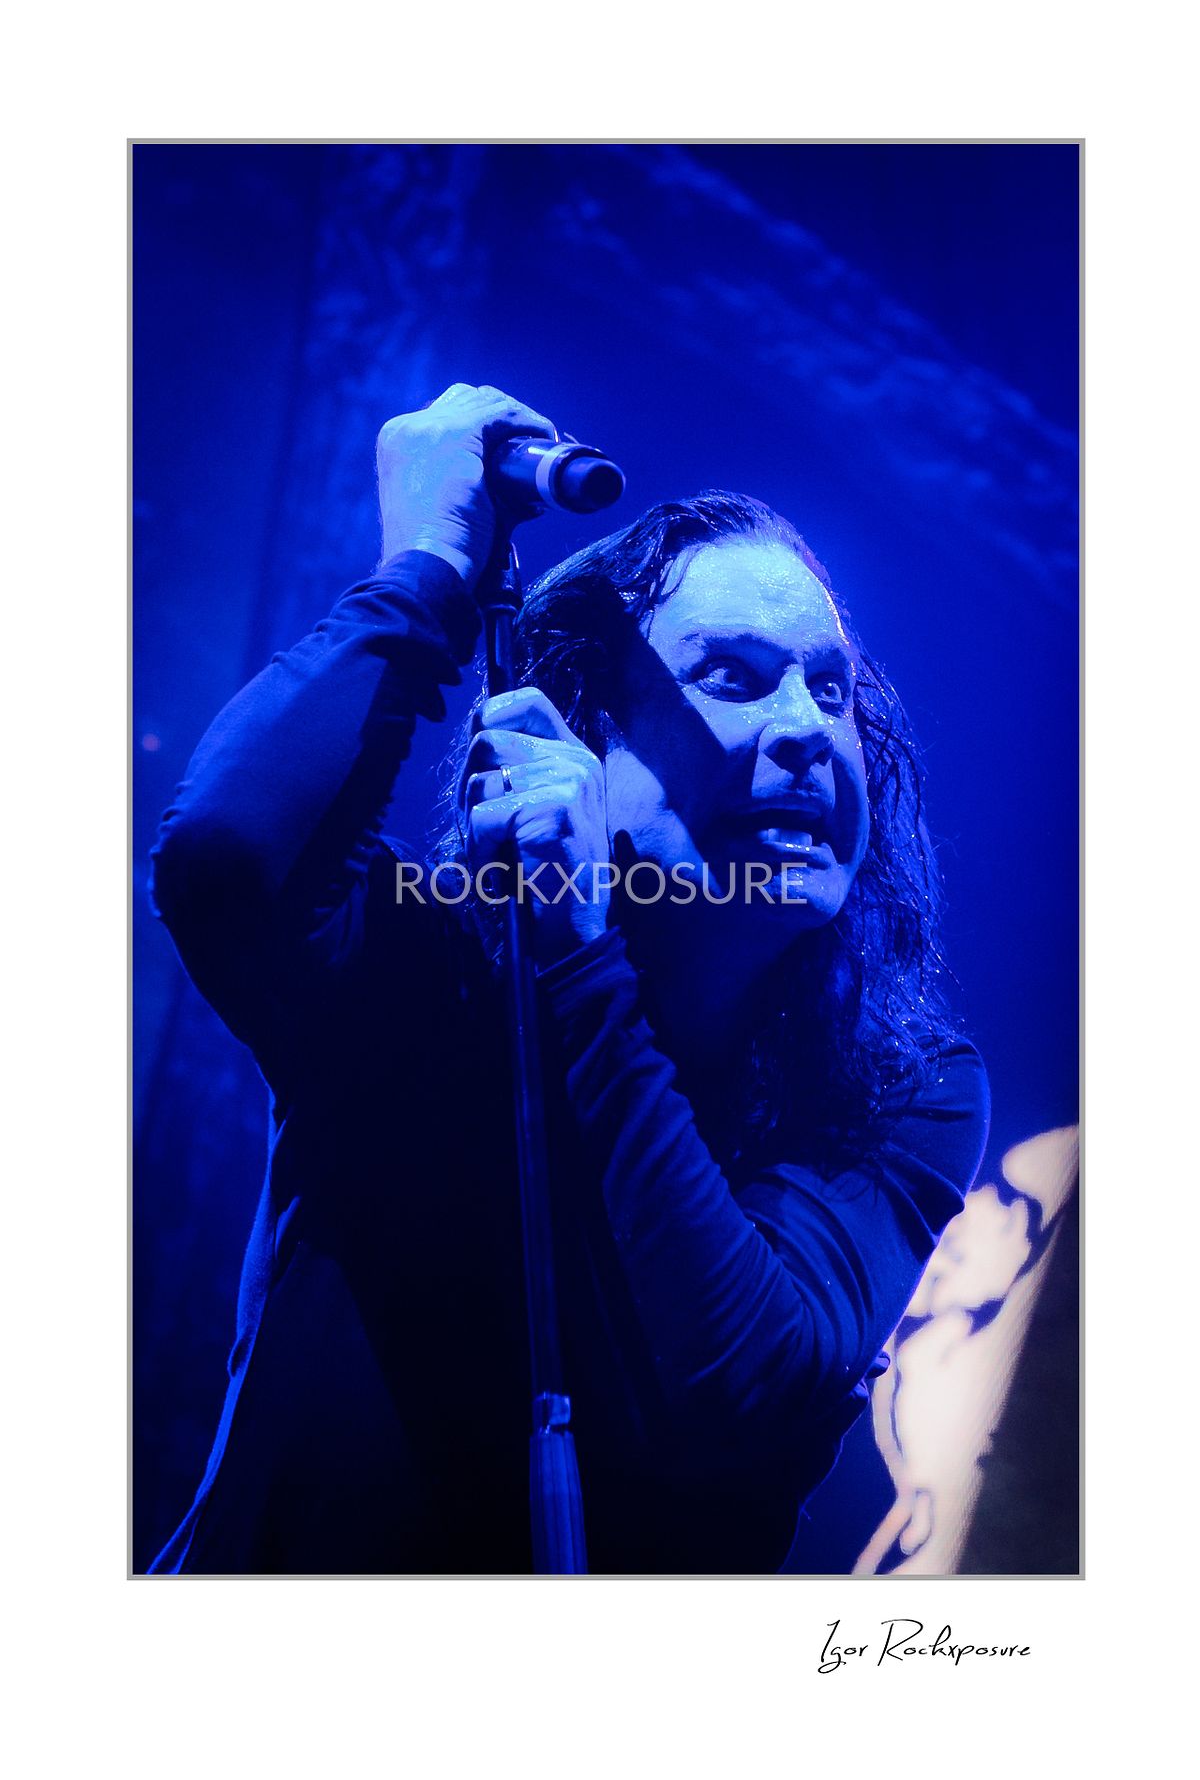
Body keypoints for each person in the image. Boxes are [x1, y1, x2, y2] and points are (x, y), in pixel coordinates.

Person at [147, 382, 989, 1576]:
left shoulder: (900, 1087)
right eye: (737, 678)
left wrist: (586, 951)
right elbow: (224, 859)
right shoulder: (423, 976)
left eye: (833, 687)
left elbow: (727, 1381)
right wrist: (427, 575)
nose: (810, 726)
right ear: (581, 737)